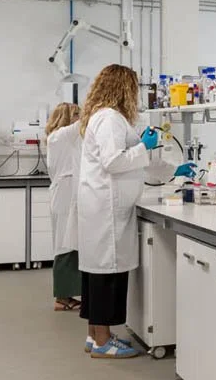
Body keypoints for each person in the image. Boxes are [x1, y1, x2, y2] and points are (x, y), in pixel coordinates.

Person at [76, 64, 197, 359]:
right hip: (107, 207)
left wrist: (172, 168)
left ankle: (95, 336)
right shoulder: (109, 119)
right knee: (106, 273)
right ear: (124, 88)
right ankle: (103, 342)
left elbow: (134, 160)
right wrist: (143, 145)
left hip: (102, 205)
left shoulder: (107, 118)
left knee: (98, 271)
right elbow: (114, 162)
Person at [45, 103, 83, 312]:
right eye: (77, 114)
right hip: (65, 194)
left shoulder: (63, 138)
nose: (80, 118)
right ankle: (61, 297)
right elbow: (84, 125)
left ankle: (66, 294)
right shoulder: (61, 135)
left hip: (67, 192)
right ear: (67, 118)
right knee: (64, 244)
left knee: (69, 242)